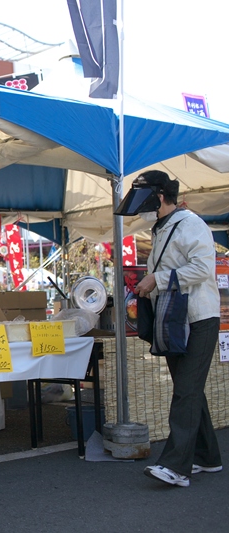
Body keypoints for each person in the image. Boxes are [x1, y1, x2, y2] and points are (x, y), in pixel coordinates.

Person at [116, 170, 222, 487]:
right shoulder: (162, 229)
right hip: (175, 320)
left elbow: (204, 268)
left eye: (146, 200)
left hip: (199, 318)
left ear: (160, 197)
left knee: (186, 391)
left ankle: (176, 467)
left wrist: (157, 280)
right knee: (190, 391)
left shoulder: (190, 224)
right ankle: (208, 457)